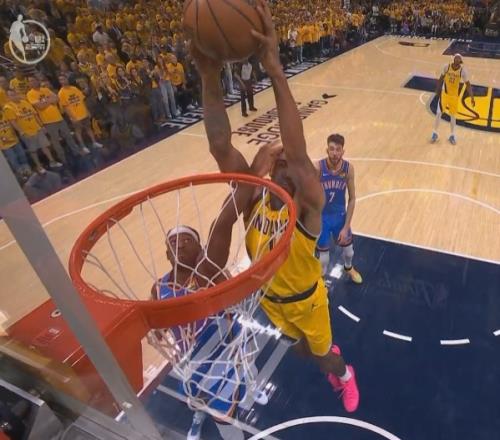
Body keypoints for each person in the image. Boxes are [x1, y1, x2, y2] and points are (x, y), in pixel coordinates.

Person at [192, 0, 359, 413]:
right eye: (277, 157)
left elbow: (299, 157)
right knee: (296, 349)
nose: (284, 159)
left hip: (307, 300)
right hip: (269, 300)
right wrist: (209, 77)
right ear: (267, 165)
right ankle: (320, 355)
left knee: (324, 358)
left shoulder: (307, 207)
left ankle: (345, 375)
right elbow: (219, 145)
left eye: (291, 160)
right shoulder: (251, 195)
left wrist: (275, 70)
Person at [314, 134, 362, 284]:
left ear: (343, 151)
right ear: (327, 150)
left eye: (338, 149)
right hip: (322, 217)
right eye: (332, 149)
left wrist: (346, 227)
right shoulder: (318, 168)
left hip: (340, 216)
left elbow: (352, 198)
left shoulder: (348, 169)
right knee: (323, 259)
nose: (334, 153)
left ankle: (348, 268)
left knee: (349, 252)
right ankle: (320, 282)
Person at [26, 76, 89, 162]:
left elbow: (56, 99)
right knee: (56, 141)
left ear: (37, 81)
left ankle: (77, 152)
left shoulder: (45, 89)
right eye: (30, 81)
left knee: (69, 136)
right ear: (29, 84)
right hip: (48, 121)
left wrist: (45, 101)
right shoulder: (30, 94)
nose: (33, 82)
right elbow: (40, 106)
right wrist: (49, 100)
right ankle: (63, 158)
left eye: (34, 80)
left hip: (59, 118)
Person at [4, 89, 62, 173]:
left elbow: (35, 114)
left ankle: (52, 162)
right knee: (33, 150)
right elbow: (13, 122)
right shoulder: (8, 108)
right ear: (8, 97)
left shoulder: (25, 102)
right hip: (26, 132)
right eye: (11, 95)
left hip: (37, 128)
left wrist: (41, 126)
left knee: (45, 146)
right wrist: (21, 131)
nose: (14, 96)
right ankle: (39, 167)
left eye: (15, 94)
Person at [431, 53, 475, 145]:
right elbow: (441, 78)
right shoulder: (446, 67)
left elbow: (468, 84)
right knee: (438, 113)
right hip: (445, 94)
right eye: (456, 58)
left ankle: (452, 135)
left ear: (460, 61)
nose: (457, 59)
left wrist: (472, 97)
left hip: (454, 96)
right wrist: (437, 89)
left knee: (453, 116)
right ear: (454, 59)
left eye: (459, 58)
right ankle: (434, 133)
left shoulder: (462, 71)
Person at [57, 74, 104, 151]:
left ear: (67, 79)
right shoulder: (61, 93)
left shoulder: (74, 88)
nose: (63, 81)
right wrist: (71, 117)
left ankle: (94, 142)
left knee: (88, 128)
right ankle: (83, 147)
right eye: (61, 80)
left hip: (83, 113)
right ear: (59, 82)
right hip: (75, 116)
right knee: (78, 131)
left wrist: (87, 111)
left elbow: (82, 100)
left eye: (64, 79)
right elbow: (65, 107)